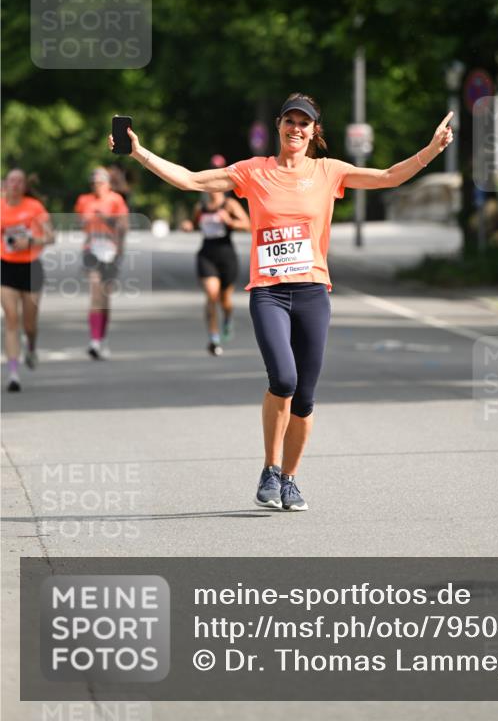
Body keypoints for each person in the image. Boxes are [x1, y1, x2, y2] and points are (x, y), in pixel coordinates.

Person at [109, 93, 454, 511]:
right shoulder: (254, 172)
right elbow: (192, 181)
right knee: (284, 381)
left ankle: (290, 480)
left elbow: (387, 177)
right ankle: (269, 470)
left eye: (304, 123)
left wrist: (431, 150)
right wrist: (140, 151)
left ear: (314, 131)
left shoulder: (329, 172)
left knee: (305, 398)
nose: (296, 129)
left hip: (312, 291)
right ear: (278, 126)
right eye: (290, 121)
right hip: (269, 293)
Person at [1, 169, 54, 391]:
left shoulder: (34, 207)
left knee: (29, 324)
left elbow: (51, 237)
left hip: (32, 268)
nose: (15, 184)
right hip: (6, 267)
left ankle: (31, 346)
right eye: (12, 180)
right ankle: (13, 374)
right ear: (5, 184)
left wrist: (30, 240)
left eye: (20, 181)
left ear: (24, 186)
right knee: (12, 319)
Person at [188, 177, 250, 356]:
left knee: (225, 300)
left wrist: (230, 222)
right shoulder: (200, 208)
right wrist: (188, 225)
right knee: (211, 296)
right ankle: (214, 339)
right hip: (206, 255)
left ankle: (228, 317)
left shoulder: (229, 205)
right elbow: (194, 224)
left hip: (226, 256)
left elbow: (248, 225)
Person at [74, 167, 129, 360]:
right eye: (94, 183)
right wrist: (86, 220)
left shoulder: (116, 200)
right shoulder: (84, 200)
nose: (97, 186)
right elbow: (78, 222)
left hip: (110, 250)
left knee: (105, 299)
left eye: (101, 182)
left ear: (108, 184)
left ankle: (101, 337)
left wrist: (107, 220)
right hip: (91, 249)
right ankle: (94, 341)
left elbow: (124, 226)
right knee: (95, 293)